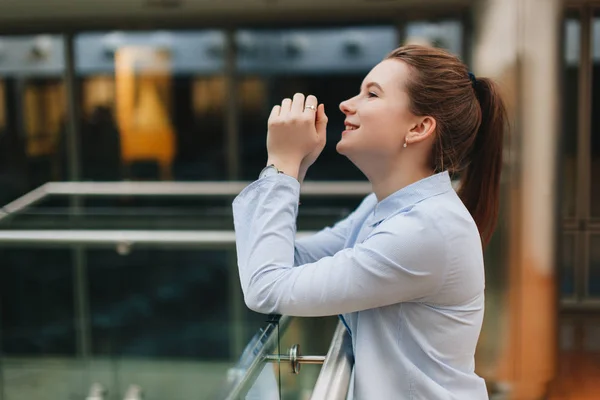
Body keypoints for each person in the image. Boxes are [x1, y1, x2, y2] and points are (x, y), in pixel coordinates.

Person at [232, 44, 506, 400]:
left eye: (371, 94)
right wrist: (290, 171)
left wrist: (282, 166)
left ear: (419, 127)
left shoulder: (425, 230)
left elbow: (266, 289)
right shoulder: (383, 210)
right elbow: (287, 265)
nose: (348, 104)